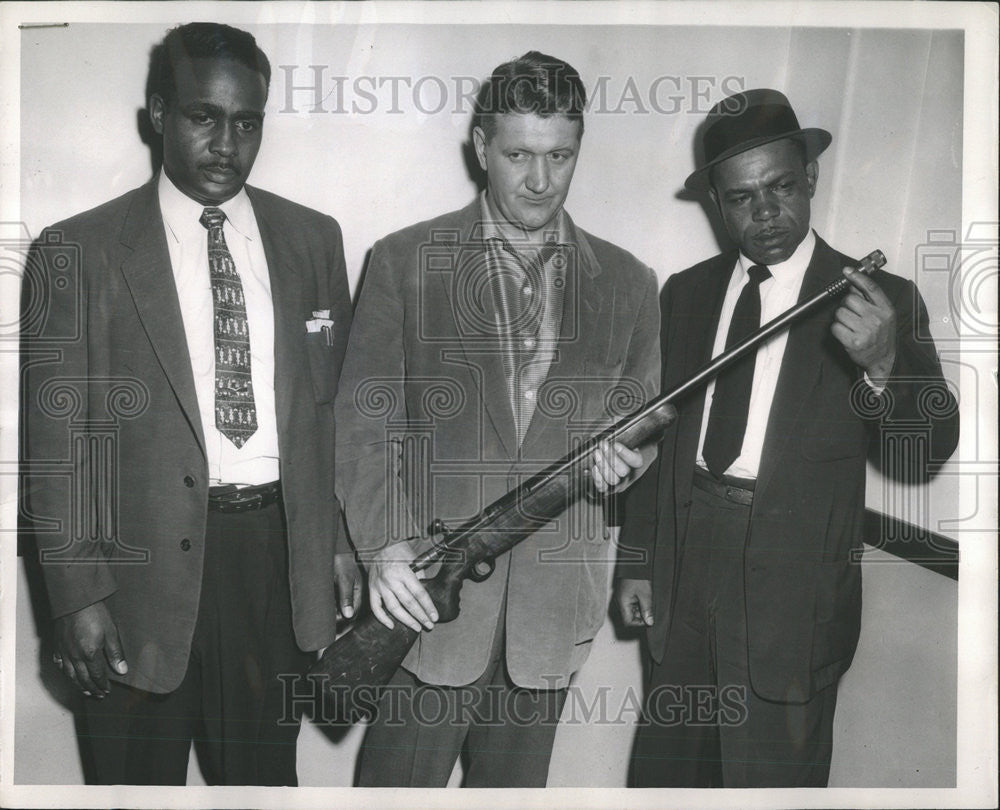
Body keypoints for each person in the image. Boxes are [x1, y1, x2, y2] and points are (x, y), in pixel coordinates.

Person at [19, 22, 360, 785]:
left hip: (272, 565)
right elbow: (57, 444)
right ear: (157, 113)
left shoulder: (312, 240)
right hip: (135, 576)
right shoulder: (78, 252)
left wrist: (336, 537)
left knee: (264, 783)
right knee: (134, 788)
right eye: (204, 117)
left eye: (247, 123)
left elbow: (328, 409)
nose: (226, 144)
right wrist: (77, 597)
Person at [334, 51, 665, 787]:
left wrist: (630, 465)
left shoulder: (630, 284)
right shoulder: (403, 262)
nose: (540, 181)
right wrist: (387, 547)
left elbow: (641, 425)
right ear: (481, 146)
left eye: (560, 156)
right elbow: (364, 424)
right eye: (518, 154)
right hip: (423, 608)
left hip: (549, 618)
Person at [615, 88, 960, 788]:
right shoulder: (686, 293)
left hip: (794, 602)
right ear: (716, 202)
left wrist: (884, 366)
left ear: (810, 179)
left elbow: (922, 458)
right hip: (685, 575)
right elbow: (661, 440)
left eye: (780, 187)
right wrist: (637, 561)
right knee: (665, 781)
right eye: (741, 198)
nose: (765, 213)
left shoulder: (879, 299)